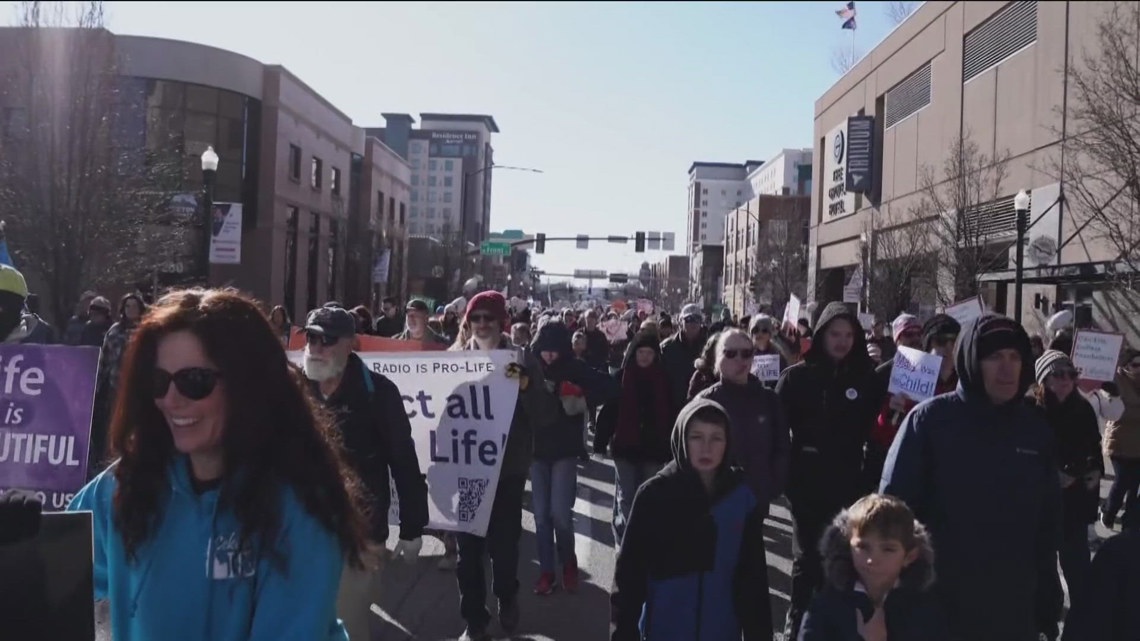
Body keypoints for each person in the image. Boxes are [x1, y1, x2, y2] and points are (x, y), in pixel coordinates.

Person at [68, 288, 372, 641]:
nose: (170, 400)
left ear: (249, 385)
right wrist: (17, 541)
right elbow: (56, 574)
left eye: (194, 382)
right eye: (158, 381)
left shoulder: (298, 504)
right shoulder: (124, 487)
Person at [881, 313, 1063, 641]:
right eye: (994, 357)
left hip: (1011, 610)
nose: (1006, 368)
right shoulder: (930, 422)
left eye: (1014, 357)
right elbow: (891, 519)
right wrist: (892, 605)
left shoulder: (1035, 431)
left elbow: (1046, 529)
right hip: (936, 609)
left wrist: (1047, 603)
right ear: (971, 361)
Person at [301, 303, 430, 641]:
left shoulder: (379, 393)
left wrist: (413, 527)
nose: (316, 347)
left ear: (350, 344)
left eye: (327, 339)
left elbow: (404, 460)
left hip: (360, 529)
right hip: (303, 529)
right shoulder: (295, 389)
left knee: (347, 622)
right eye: (311, 337)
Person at [610, 399, 771, 641]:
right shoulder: (655, 494)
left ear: (728, 443)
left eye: (716, 438)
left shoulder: (740, 497)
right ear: (682, 439)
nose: (706, 447)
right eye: (696, 437)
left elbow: (753, 581)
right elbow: (629, 578)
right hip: (665, 630)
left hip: (722, 632)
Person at [450, 291, 561, 641]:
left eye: (489, 319)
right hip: (465, 471)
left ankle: (507, 595)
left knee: (503, 547)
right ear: (468, 324)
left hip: (507, 471)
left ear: (502, 324)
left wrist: (525, 384)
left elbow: (545, 416)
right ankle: (475, 621)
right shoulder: (451, 360)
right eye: (476, 318)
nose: (482, 325)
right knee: (468, 555)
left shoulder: (520, 360)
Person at [775, 302, 879, 640]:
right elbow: (777, 434)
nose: (842, 341)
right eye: (835, 334)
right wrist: (787, 479)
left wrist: (890, 410)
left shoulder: (866, 379)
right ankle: (798, 621)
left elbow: (875, 430)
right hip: (806, 485)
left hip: (849, 485)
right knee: (808, 558)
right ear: (821, 335)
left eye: (849, 335)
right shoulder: (797, 377)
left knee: (844, 560)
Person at [529, 321, 618, 594]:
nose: (549, 355)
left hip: (565, 450)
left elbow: (610, 387)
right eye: (545, 350)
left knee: (560, 515)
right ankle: (547, 571)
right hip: (535, 450)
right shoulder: (528, 366)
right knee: (541, 516)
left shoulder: (574, 368)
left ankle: (568, 563)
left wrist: (581, 394)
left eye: (554, 350)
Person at [799, 494, 947, 641]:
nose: (872, 560)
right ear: (848, 547)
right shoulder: (829, 602)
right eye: (863, 547)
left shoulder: (922, 610)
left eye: (888, 549)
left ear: (909, 556)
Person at [1032, 350, 1102, 607]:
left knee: (1079, 572)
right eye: (1058, 374)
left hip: (1074, 502)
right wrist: (1052, 474)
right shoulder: (1031, 411)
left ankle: (1081, 624)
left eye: (1070, 374)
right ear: (1043, 379)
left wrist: (1092, 471)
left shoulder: (1082, 409)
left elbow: (1095, 450)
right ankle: (1047, 624)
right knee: (1044, 572)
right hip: (1041, 503)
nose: (1065, 380)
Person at [594, 331, 676, 546]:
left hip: (654, 448)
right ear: (634, 353)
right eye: (641, 352)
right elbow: (609, 412)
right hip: (625, 447)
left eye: (649, 353)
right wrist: (600, 442)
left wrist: (673, 447)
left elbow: (673, 413)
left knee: (649, 496)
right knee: (627, 496)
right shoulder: (622, 377)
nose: (645, 357)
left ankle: (645, 542)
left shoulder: (664, 379)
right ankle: (627, 543)